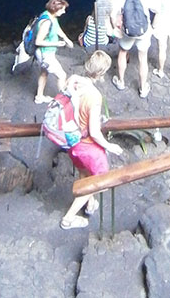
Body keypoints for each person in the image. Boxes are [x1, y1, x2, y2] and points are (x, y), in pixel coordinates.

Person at [60, 50, 123, 229]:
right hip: (87, 146)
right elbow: (94, 132)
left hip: (71, 142)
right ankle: (68, 219)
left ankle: (89, 204)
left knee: (84, 174)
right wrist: (110, 146)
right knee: (97, 183)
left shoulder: (73, 81)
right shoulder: (94, 97)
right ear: (102, 73)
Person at [110, 0, 159, 98]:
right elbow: (156, 10)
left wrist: (116, 29)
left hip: (127, 32)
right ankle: (143, 89)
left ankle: (120, 82)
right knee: (143, 59)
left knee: (122, 52)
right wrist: (153, 27)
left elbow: (112, 14)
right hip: (144, 31)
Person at [34, 0, 74, 104]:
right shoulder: (46, 22)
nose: (64, 12)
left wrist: (66, 39)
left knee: (44, 73)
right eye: (62, 9)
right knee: (62, 75)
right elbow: (38, 41)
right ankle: (64, 100)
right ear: (55, 9)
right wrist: (56, 43)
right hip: (46, 54)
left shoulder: (49, 16)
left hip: (46, 53)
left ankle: (39, 97)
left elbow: (57, 28)